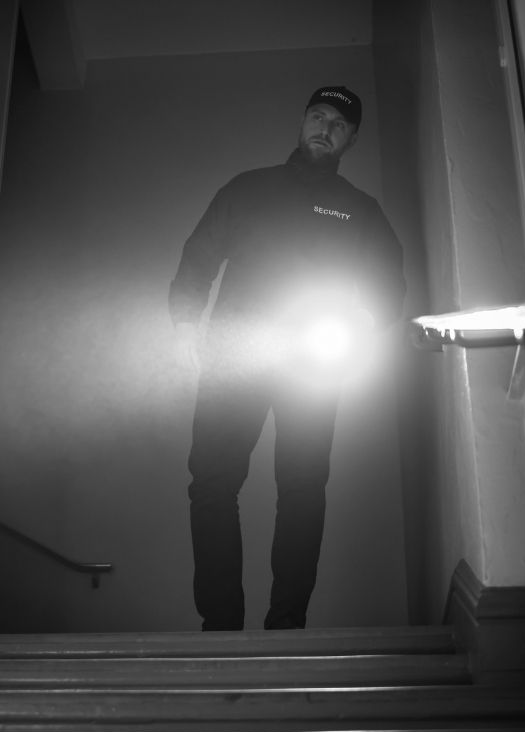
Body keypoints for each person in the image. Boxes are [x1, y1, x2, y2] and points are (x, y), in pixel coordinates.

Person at [169, 85, 405, 631]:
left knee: (302, 490)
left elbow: (387, 286)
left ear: (351, 139)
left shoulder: (360, 210)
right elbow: (199, 254)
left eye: (338, 124)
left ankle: (287, 626)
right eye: (318, 116)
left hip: (313, 361)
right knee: (212, 484)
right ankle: (220, 626)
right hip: (233, 358)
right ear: (302, 122)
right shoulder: (248, 189)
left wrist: (361, 326)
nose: (325, 128)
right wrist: (184, 324)